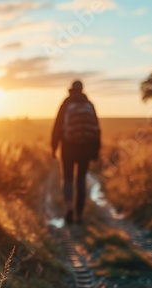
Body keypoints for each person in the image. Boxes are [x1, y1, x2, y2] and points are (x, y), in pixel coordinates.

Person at [51, 80, 101, 225]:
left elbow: (57, 126)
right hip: (85, 149)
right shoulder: (89, 104)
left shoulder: (66, 104)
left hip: (68, 148)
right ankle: (79, 215)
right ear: (82, 89)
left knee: (67, 178)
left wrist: (54, 147)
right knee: (81, 180)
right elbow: (97, 129)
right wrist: (96, 150)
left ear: (71, 90)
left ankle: (69, 207)